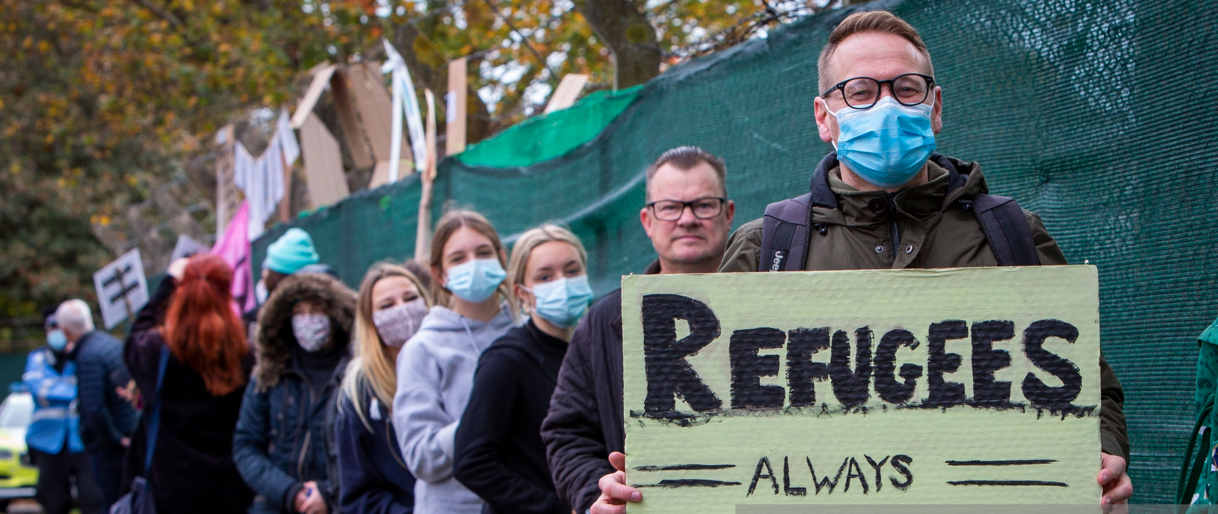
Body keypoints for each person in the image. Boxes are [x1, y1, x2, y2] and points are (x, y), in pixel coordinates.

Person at [591, 11, 1133, 513]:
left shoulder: (1012, 234)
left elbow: (1091, 388)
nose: (887, 106)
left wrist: (1101, 454)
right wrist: (650, 487)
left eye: (906, 88)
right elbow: (703, 420)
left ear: (935, 106)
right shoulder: (767, 248)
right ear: (824, 117)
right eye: (861, 92)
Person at [540, 146, 735, 513]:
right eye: (670, 207)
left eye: (704, 205)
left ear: (728, 214)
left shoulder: (774, 310)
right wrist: (596, 491)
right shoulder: (603, 321)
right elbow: (566, 434)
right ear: (647, 221)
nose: (687, 219)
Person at [454, 224, 591, 514]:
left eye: (572, 271)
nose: (562, 283)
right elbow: (472, 461)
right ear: (522, 293)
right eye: (545, 277)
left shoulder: (594, 350)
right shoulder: (506, 360)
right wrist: (554, 509)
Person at [393, 209, 518, 514]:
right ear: (439, 274)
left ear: (502, 258)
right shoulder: (422, 349)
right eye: (458, 259)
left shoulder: (529, 333)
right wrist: (482, 420)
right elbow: (421, 457)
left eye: (483, 253)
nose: (473, 264)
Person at [122, 255, 256, 513]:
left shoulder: (156, 351)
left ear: (180, 293)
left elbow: (136, 335)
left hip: (168, 490)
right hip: (230, 489)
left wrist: (168, 282)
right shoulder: (244, 355)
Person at [233, 271, 356, 514]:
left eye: (317, 310)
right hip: (276, 504)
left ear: (335, 313)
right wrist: (290, 492)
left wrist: (329, 491)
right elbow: (245, 444)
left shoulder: (354, 373)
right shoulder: (271, 373)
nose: (308, 319)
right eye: (299, 312)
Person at [334, 262, 432, 513]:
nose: (402, 310)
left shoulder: (455, 364)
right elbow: (357, 495)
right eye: (387, 306)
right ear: (370, 320)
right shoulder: (359, 393)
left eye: (410, 299)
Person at [57, 298, 138, 511]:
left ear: (65, 330)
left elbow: (94, 409)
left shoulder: (88, 356)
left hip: (111, 449)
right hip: (129, 435)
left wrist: (116, 439)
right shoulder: (110, 344)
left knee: (111, 502)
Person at [23, 307, 103, 514]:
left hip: (82, 440)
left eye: (59, 326)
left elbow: (91, 387)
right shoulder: (37, 359)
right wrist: (76, 391)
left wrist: (59, 389)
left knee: (92, 498)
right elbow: (38, 388)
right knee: (53, 501)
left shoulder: (84, 355)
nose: (55, 331)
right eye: (51, 326)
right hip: (47, 442)